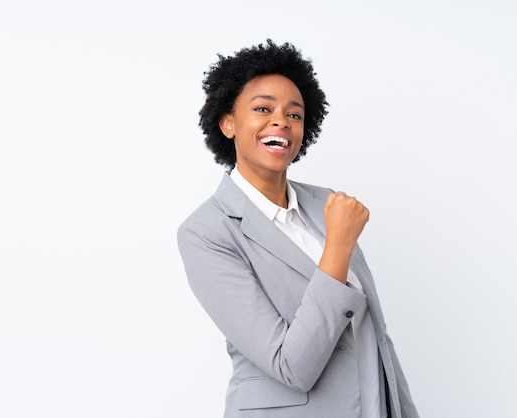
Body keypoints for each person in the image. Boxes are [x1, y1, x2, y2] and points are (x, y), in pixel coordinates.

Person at [177, 39, 420, 418]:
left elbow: (374, 337)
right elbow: (291, 366)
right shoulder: (207, 232)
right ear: (228, 123)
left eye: (295, 114)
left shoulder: (326, 204)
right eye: (262, 109)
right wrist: (338, 245)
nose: (281, 121)